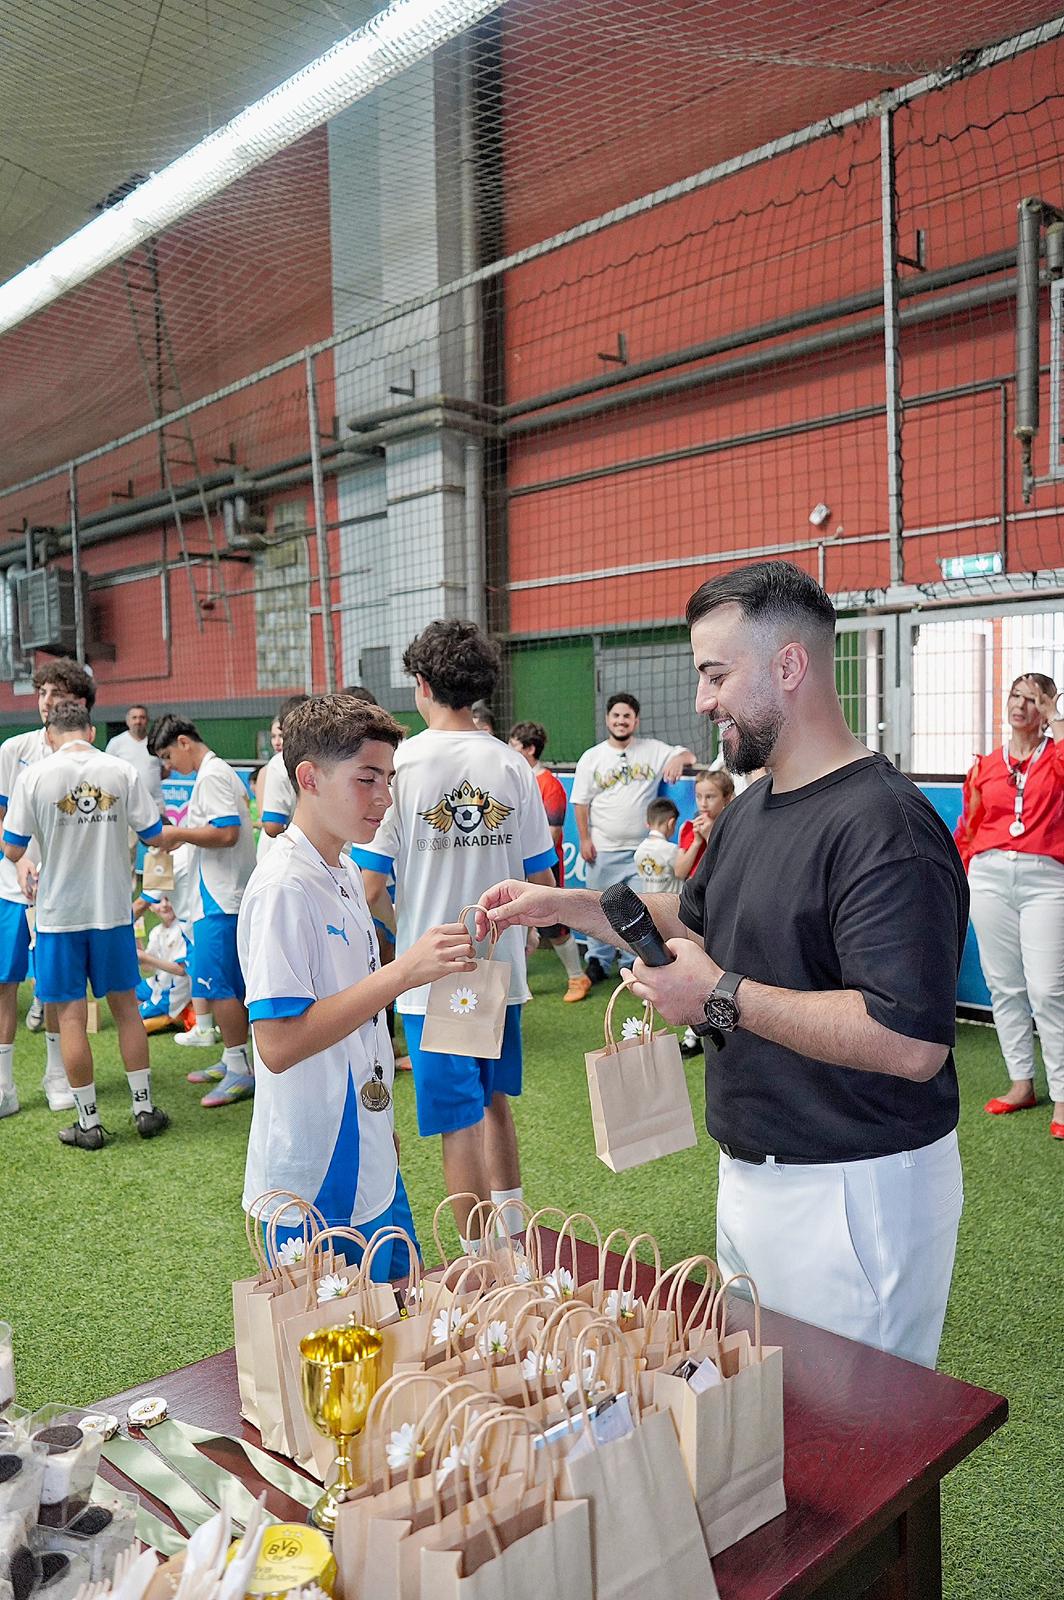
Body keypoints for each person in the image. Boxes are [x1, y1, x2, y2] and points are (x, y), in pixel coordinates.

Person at [479, 560, 968, 1370]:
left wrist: (719, 996)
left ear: (789, 666)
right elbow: (699, 920)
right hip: (752, 1168)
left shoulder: (885, 826)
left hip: (854, 1187)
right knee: (765, 1412)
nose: (703, 701)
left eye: (716, 675)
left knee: (852, 1426)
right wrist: (569, 904)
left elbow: (909, 1041)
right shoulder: (752, 809)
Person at [239, 694, 477, 1273]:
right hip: (314, 1172)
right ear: (309, 778)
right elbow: (277, 1044)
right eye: (367, 779)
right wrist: (404, 972)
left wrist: (380, 1122)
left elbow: (358, 1013)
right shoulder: (282, 887)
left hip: (369, 1152)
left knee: (404, 1312)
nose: (384, 797)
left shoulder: (344, 868)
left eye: (388, 779)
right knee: (343, 1327)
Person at [352, 621, 556, 1251]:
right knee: (493, 1104)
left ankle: (478, 1265)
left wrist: (404, 935)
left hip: (437, 974)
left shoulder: (401, 767)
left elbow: (369, 886)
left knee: (458, 1125)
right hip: (498, 967)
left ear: (422, 684)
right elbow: (544, 884)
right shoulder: (513, 765)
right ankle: (514, 1241)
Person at [2, 700, 173, 1149]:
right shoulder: (121, 771)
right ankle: (143, 1110)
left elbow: (13, 849)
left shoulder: (34, 776)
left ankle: (88, 1123)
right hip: (112, 912)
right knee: (127, 1009)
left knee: (72, 1017)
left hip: (59, 917)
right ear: (92, 731)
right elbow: (155, 835)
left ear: (49, 735)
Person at [954, 672, 1064, 1140]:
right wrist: (961, 873)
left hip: (1047, 878)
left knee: (1048, 989)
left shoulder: (1056, 757)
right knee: (1004, 985)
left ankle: (1063, 1094)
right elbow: (970, 826)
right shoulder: (986, 766)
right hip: (989, 876)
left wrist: (1056, 718)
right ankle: (1022, 1083)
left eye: (1034, 699)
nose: (1021, 705)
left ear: (1048, 708)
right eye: (1016, 696)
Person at [0, 657, 96, 1116]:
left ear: (77, 703)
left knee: (57, 989)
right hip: (10, 886)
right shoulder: (13, 750)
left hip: (61, 895)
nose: (46, 701)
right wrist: (18, 862)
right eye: (42, 693)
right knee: (5, 983)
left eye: (56, 694)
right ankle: (4, 1085)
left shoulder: (91, 761)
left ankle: (57, 1076)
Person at [148, 714, 258, 1106]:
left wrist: (177, 833)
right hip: (220, 895)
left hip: (220, 898)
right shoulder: (215, 774)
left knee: (220, 985)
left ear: (184, 742)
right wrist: (183, 840)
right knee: (225, 984)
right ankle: (233, 1059)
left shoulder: (212, 775)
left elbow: (226, 833)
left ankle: (240, 1069)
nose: (168, 766)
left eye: (167, 756)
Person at [570, 693, 693, 983]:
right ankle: (598, 962)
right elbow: (580, 803)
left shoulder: (652, 749)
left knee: (639, 912)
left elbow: (688, 755)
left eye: (627, 716)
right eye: (616, 715)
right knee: (597, 906)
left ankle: (632, 964)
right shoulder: (592, 757)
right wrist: (585, 839)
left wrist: (678, 758)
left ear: (636, 721)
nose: (621, 721)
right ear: (607, 719)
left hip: (641, 852)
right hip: (604, 849)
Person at [508, 720, 590, 1002]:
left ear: (530, 749)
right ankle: (516, 982)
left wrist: (523, 851)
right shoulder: (514, 779)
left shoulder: (550, 785)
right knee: (513, 921)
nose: (508, 750)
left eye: (514, 745)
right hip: (516, 863)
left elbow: (553, 833)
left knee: (553, 923)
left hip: (543, 865)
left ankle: (577, 976)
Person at [676, 770, 735, 1059]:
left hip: (725, 906)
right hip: (696, 911)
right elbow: (680, 870)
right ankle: (693, 1033)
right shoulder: (689, 828)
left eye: (710, 796)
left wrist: (712, 835)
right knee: (694, 966)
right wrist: (698, 841)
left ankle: (726, 1022)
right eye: (699, 796)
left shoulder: (735, 826)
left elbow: (728, 864)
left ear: (727, 799)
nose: (703, 803)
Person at [254, 694, 310, 860]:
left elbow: (272, 825)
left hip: (294, 852)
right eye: (273, 737)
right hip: (283, 849)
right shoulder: (270, 769)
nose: (277, 741)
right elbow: (269, 823)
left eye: (280, 735)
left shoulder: (278, 764)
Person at [135, 894, 192, 1034]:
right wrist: (137, 938)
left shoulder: (182, 929)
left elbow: (181, 970)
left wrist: (145, 957)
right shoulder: (157, 931)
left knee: (132, 1020)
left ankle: (172, 1017)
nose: (164, 905)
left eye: (168, 899)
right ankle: (169, 1014)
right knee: (127, 994)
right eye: (158, 901)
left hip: (173, 991)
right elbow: (147, 967)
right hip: (158, 983)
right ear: (150, 907)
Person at [105, 704, 164, 813]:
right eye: (134, 717)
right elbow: (107, 772)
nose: (138, 721)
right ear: (127, 721)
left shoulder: (157, 743)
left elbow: (165, 770)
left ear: (147, 720)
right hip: (126, 805)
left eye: (142, 717)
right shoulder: (116, 743)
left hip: (155, 804)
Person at [633, 797, 681, 894]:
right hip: (670, 902)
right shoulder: (671, 849)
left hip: (647, 901)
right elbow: (682, 872)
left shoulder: (639, 850)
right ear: (671, 823)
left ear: (647, 823)